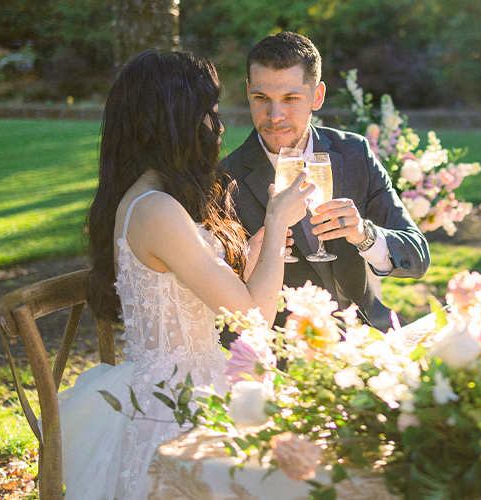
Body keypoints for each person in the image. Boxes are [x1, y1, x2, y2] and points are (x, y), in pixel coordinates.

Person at [57, 50, 313, 499]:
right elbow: (254, 320)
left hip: (206, 378)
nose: (218, 125)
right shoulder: (155, 209)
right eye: (209, 112)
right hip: (174, 403)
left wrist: (256, 257)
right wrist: (276, 225)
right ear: (174, 120)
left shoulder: (157, 198)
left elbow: (247, 312)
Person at [219, 32, 430, 332]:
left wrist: (364, 235)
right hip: (285, 354)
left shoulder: (354, 153)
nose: (275, 115)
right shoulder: (223, 179)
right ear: (248, 92)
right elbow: (221, 305)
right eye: (261, 98)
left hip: (372, 333)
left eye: (290, 98)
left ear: (317, 96)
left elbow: (417, 255)